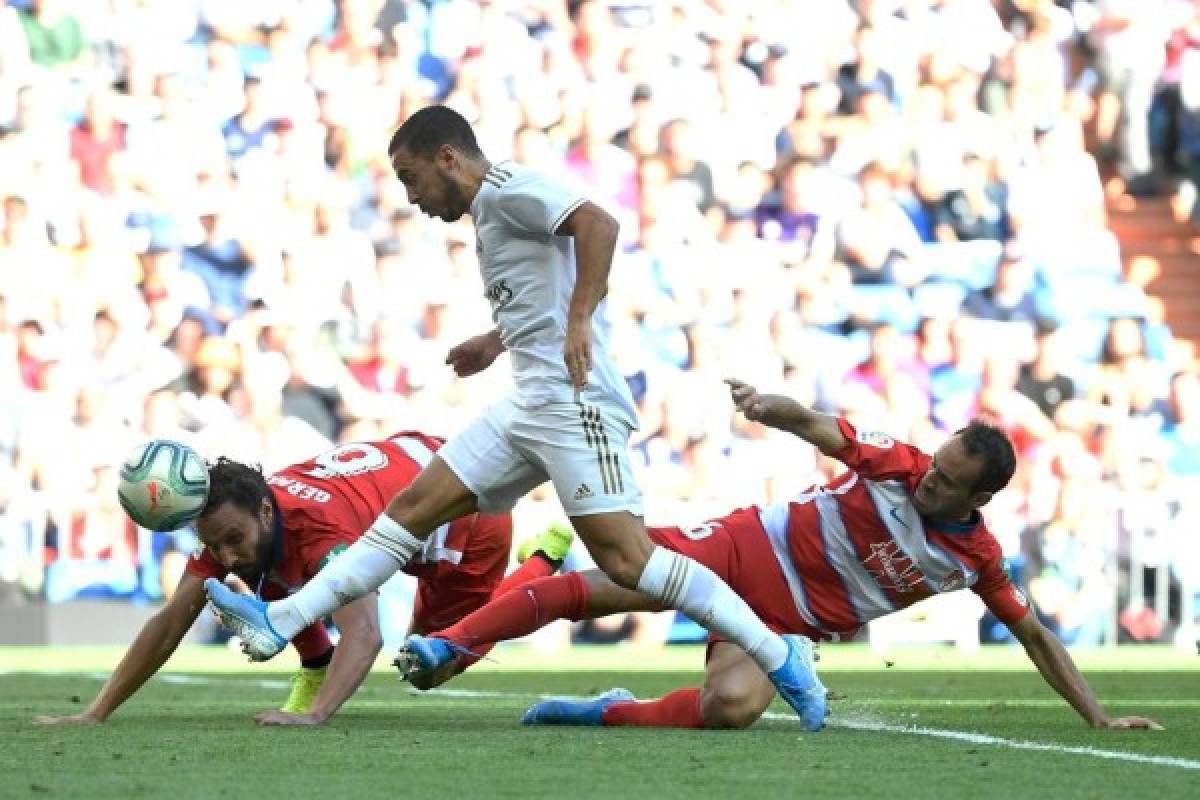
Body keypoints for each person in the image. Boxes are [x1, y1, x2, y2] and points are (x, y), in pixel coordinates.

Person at [204, 105, 825, 730]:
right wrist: (495, 339)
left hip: (575, 401)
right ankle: (282, 618)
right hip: (528, 401)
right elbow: (540, 294)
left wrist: (581, 319)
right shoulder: (489, 214)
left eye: (410, 176)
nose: (410, 195)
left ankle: (779, 653)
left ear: (448, 158)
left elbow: (599, 224)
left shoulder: (507, 189)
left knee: (628, 562)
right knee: (412, 509)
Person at [398, 380, 1162, 733]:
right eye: (935, 465)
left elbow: (1036, 635)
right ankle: (448, 643)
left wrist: (1096, 716)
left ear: (980, 500)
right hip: (743, 549)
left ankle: (605, 711)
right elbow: (821, 426)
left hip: (780, 627)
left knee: (730, 711)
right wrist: (770, 406)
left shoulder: (978, 560)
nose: (929, 478)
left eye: (948, 482)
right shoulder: (897, 461)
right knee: (605, 585)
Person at [33, 431, 571, 727]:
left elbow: (364, 635)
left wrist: (316, 717)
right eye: (213, 543)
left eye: (231, 538)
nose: (223, 553)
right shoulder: (242, 520)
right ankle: (313, 662)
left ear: (266, 511)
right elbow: (170, 621)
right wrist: (96, 712)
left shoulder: (321, 534)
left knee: (431, 665)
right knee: (260, 572)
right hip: (405, 475)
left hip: (465, 517)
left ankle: (542, 561)